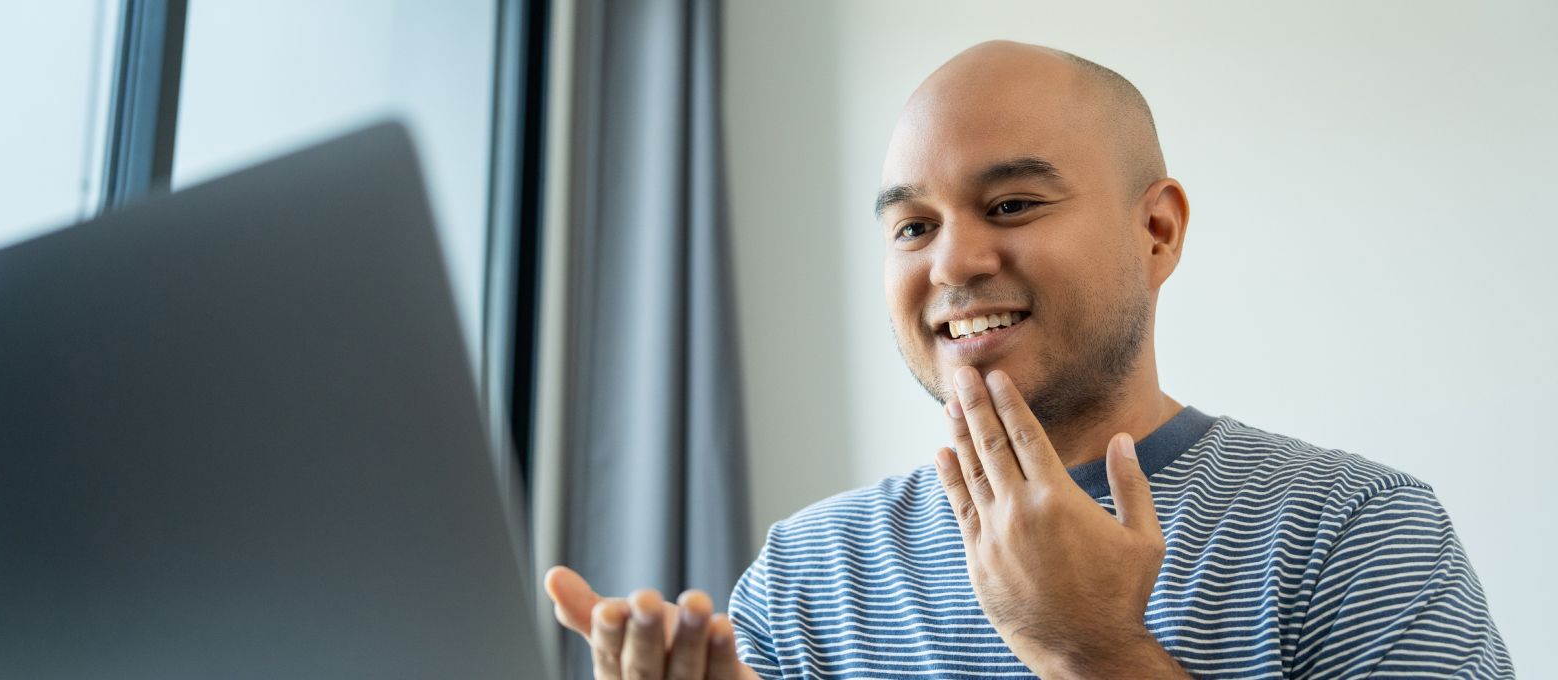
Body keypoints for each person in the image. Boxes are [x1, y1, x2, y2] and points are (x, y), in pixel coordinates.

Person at [543, 40, 1514, 679]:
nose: (953, 261)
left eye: (1009, 205)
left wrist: (1092, 646)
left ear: (1157, 230)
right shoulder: (808, 575)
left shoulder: (1355, 530)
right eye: (912, 225)